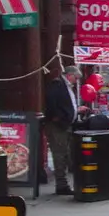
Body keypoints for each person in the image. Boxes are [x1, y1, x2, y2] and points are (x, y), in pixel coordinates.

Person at [43, 66, 80, 195]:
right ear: (70, 75)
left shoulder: (67, 86)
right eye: (76, 78)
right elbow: (51, 103)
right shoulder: (57, 85)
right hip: (58, 126)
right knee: (60, 154)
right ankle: (61, 184)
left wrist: (74, 112)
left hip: (66, 125)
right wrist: (58, 118)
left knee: (66, 153)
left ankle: (63, 182)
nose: (76, 81)